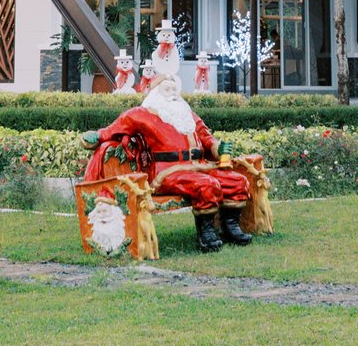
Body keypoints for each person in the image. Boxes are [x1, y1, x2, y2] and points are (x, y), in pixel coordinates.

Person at [82, 71, 256, 253]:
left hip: (199, 166)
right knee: (206, 185)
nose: (172, 93)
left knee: (236, 181)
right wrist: (97, 136)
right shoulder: (141, 114)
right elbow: (115, 128)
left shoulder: (187, 113)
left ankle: (230, 227)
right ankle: (206, 234)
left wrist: (216, 148)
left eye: (175, 89)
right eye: (167, 89)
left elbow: (206, 137)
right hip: (168, 172)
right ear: (155, 92)